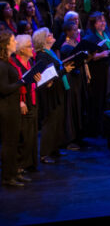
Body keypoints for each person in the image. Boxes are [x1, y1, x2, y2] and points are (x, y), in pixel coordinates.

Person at [1, 31, 39, 187]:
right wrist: (23, 81)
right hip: (7, 109)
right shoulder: (2, 65)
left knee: (14, 143)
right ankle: (7, 177)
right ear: (5, 44)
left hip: (12, 107)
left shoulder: (7, 61)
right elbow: (3, 88)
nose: (15, 43)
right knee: (9, 144)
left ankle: (15, 171)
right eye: (12, 40)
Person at [33, 28, 75, 163]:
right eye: (48, 35)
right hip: (50, 92)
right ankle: (45, 154)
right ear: (43, 40)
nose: (52, 35)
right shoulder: (41, 55)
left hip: (58, 89)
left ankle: (54, 148)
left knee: (58, 120)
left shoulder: (49, 52)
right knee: (50, 121)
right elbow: (47, 76)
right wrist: (64, 71)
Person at [11, 35, 40, 173]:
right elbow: (14, 85)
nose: (32, 49)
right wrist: (20, 101)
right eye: (29, 46)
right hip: (22, 103)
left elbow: (33, 83)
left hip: (32, 101)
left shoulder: (30, 63)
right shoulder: (14, 65)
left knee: (31, 135)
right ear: (21, 50)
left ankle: (28, 163)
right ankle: (18, 166)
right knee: (23, 136)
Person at [82, 12, 110, 135]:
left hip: (107, 69)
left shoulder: (107, 34)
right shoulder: (90, 37)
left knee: (107, 97)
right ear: (93, 24)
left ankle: (107, 126)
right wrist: (100, 55)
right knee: (98, 99)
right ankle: (97, 127)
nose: (103, 23)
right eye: (99, 21)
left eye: (104, 21)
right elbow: (86, 56)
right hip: (97, 72)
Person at [58, 23, 86, 150]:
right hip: (70, 79)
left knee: (77, 107)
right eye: (74, 30)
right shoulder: (66, 47)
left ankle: (78, 136)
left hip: (77, 78)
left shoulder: (74, 43)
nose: (77, 32)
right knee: (71, 108)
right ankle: (70, 139)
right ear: (68, 32)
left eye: (77, 29)